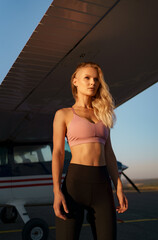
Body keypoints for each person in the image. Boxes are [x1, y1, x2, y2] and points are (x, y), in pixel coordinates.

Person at [52, 62, 128, 240]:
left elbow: (109, 154)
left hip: (102, 186)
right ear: (75, 81)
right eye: (87, 78)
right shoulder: (63, 114)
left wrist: (118, 187)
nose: (92, 82)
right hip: (74, 185)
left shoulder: (103, 114)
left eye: (95, 79)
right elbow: (58, 153)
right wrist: (56, 190)